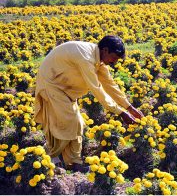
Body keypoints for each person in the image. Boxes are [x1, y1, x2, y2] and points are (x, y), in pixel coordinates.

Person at [34, 35, 144, 172]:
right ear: (105, 50)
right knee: (70, 122)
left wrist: (129, 107)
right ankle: (49, 155)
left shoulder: (99, 60)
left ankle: (74, 162)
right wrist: (121, 112)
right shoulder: (86, 58)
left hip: (64, 89)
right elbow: (97, 89)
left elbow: (110, 85)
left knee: (78, 123)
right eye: (114, 58)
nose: (114, 62)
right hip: (51, 84)